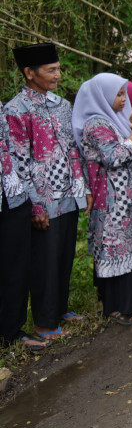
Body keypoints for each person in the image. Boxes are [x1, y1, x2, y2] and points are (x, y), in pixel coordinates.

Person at [6, 42, 92, 341]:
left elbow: (72, 149)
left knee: (64, 255)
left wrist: (81, 187)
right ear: (30, 73)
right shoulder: (16, 110)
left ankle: (60, 310)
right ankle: (44, 323)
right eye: (51, 70)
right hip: (42, 198)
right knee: (44, 260)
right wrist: (35, 205)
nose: (58, 75)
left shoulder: (62, 105)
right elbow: (19, 161)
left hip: (67, 193)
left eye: (58, 69)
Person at [74, 73, 132, 326]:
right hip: (112, 201)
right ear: (102, 96)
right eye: (118, 94)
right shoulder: (95, 124)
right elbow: (113, 157)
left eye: (123, 94)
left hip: (129, 198)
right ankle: (117, 307)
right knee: (116, 248)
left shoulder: (113, 120)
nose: (124, 99)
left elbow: (130, 145)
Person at [0, 94, 40, 351]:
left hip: (11, 194)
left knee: (15, 266)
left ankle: (11, 330)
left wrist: (28, 195)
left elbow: (11, 147)